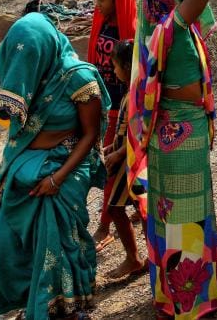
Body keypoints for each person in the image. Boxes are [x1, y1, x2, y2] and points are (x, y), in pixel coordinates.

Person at [125, 0, 217, 318]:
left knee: (187, 211)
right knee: (184, 212)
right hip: (177, 129)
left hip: (183, 125)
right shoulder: (169, 19)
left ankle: (182, 293)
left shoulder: (176, 16)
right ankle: (188, 303)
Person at [0, 12, 110, 319]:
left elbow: (90, 135)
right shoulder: (26, 72)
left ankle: (61, 308)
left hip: (64, 168)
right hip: (21, 167)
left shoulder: (78, 77)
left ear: (47, 47)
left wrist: (58, 179)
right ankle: (32, 301)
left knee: (53, 244)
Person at [88, 0, 137, 252]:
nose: (98, 4)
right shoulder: (103, 25)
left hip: (123, 107)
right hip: (104, 103)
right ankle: (127, 213)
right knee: (112, 163)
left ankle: (105, 225)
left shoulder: (131, 33)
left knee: (114, 165)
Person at [101, 39, 145, 278]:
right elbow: (124, 130)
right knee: (141, 208)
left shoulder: (136, 94)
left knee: (116, 209)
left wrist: (118, 153)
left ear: (127, 67)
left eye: (115, 66)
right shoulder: (132, 92)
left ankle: (133, 258)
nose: (113, 71)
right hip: (125, 159)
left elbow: (138, 133)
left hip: (128, 163)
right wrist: (112, 146)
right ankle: (144, 257)